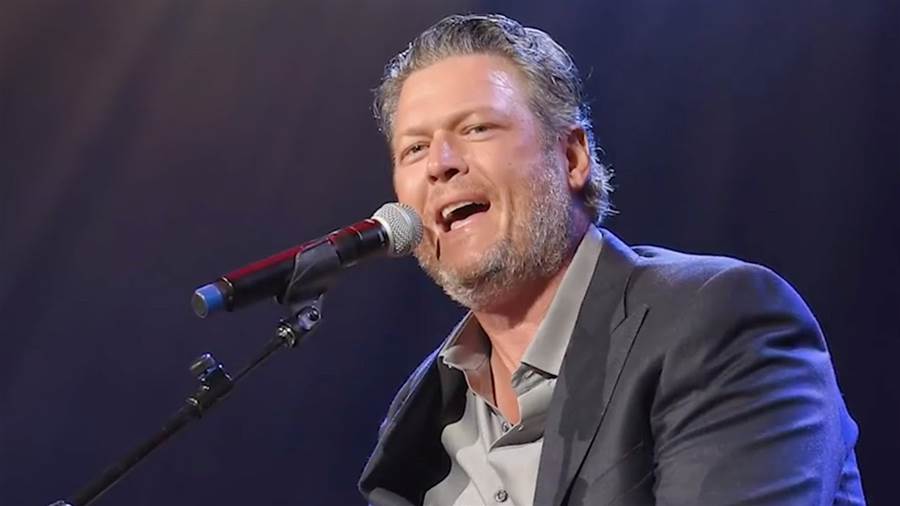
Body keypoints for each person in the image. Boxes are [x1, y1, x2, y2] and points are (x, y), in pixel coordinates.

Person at [358, 14, 865, 506]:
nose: (440, 164)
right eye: (415, 149)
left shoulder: (718, 322)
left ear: (572, 157)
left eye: (476, 128)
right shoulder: (417, 421)